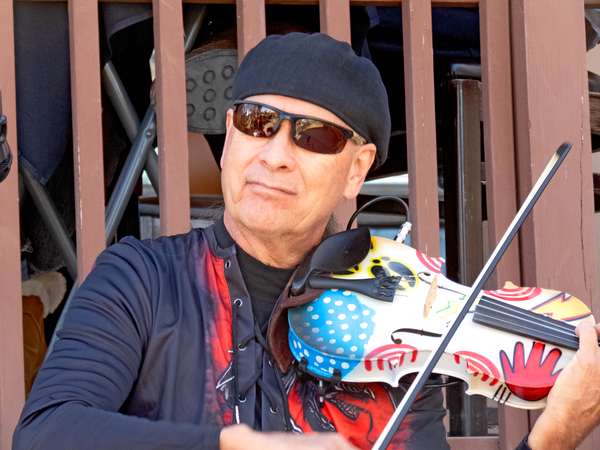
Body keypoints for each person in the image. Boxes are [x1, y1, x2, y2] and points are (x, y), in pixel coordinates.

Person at [12, 32, 600, 450]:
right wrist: (231, 446)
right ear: (230, 137)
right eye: (257, 123)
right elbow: (46, 433)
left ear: (356, 169)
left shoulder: (399, 341)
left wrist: (552, 439)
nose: (274, 155)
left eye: (313, 136)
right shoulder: (138, 279)